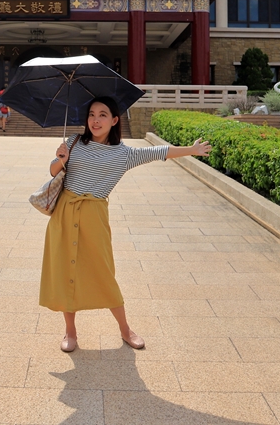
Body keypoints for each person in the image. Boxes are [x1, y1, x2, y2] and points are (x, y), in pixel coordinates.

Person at [40, 96, 210, 353]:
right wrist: (60, 158)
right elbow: (54, 172)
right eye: (92, 114)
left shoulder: (124, 154)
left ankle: (125, 329)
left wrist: (191, 149)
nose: (95, 120)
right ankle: (70, 332)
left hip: (94, 216)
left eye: (102, 115)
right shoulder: (74, 141)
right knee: (66, 271)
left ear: (114, 120)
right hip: (64, 213)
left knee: (103, 272)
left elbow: (157, 152)